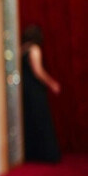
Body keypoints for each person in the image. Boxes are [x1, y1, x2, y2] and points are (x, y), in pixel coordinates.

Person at [21, 24, 61, 163]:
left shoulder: (22, 49)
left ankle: (32, 153)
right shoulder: (34, 49)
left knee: (30, 120)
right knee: (41, 119)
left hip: (24, 90)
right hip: (34, 90)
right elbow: (38, 71)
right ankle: (45, 154)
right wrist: (52, 83)